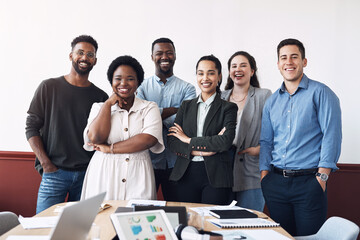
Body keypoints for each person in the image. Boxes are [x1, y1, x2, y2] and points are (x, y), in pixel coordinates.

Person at [260, 38, 342, 236]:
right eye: (284, 58)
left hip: (309, 183)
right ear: (278, 64)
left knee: (309, 237)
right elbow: (266, 142)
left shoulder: (321, 93)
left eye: (294, 57)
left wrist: (322, 178)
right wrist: (264, 176)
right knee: (282, 238)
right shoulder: (271, 102)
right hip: (276, 184)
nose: (289, 62)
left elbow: (332, 135)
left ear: (304, 61)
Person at [25, 35, 108, 213]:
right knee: (44, 228)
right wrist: (46, 164)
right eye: (80, 52)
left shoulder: (101, 97)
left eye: (90, 54)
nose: (85, 57)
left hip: (88, 176)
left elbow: (104, 137)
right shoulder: (48, 87)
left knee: (81, 230)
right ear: (71, 56)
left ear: (95, 61)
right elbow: (31, 127)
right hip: (54, 174)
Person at [81, 55, 164, 201]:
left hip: (138, 173)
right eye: (118, 78)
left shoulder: (149, 107)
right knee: (101, 219)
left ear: (138, 82)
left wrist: (110, 148)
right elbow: (95, 138)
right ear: (111, 81)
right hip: (103, 172)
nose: (123, 83)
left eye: (130, 78)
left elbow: (147, 139)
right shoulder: (99, 107)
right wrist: (107, 105)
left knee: (137, 219)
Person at [167, 55, 237, 205]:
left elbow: (224, 142)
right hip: (185, 173)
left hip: (216, 176)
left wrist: (188, 140)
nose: (205, 78)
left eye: (211, 73)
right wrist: (202, 151)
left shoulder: (228, 108)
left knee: (211, 223)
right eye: (200, 73)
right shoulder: (186, 106)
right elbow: (172, 141)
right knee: (188, 223)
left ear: (219, 77)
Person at [137, 37, 196, 200]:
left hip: (178, 162)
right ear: (152, 57)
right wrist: (175, 109)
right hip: (148, 161)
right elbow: (140, 118)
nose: (164, 57)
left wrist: (153, 113)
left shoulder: (188, 88)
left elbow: (186, 121)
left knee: (178, 212)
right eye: (159, 53)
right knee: (143, 210)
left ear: (175, 56)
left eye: (169, 53)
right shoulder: (141, 87)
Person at [221, 51, 271, 212]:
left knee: (249, 223)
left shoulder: (264, 96)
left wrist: (261, 150)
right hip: (222, 169)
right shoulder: (220, 97)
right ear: (229, 72)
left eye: (243, 65)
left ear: (252, 71)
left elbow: (277, 130)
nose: (238, 69)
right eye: (234, 66)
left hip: (251, 169)